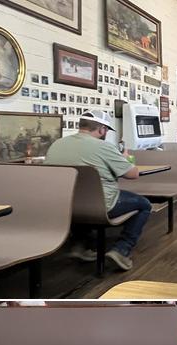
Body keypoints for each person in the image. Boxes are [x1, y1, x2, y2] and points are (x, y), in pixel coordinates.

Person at [44, 111, 151, 271]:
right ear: (102, 129)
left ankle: (79, 246)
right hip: (101, 206)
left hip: (65, 206)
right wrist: (124, 159)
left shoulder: (57, 144)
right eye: (106, 130)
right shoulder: (104, 147)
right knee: (144, 204)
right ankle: (121, 250)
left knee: (81, 197)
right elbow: (133, 174)